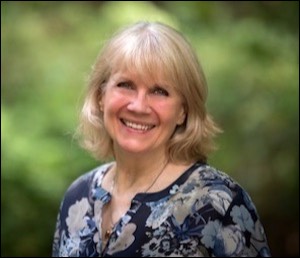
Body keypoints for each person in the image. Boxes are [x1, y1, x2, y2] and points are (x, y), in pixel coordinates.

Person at [52, 21, 271, 257]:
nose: (138, 106)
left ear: (183, 111)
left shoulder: (219, 205)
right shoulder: (78, 197)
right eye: (125, 85)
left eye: (159, 91)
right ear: (101, 96)